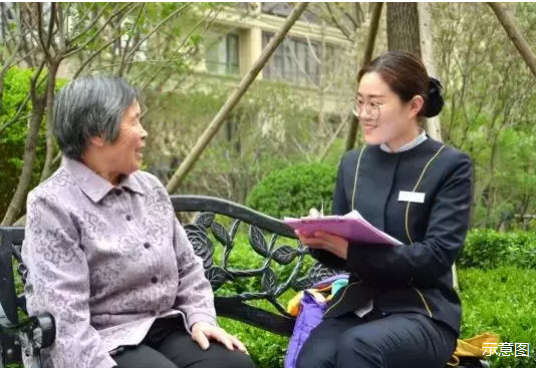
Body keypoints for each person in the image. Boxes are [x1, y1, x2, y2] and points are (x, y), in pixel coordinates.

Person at [21, 76, 255, 368]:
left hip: (164, 327)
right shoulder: (52, 203)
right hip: (101, 341)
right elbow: (63, 316)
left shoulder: (151, 188)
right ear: (97, 133)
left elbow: (188, 268)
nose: (144, 133)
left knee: (234, 365)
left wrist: (200, 318)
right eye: (134, 121)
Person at [294, 51, 473, 368]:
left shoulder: (450, 166)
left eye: (375, 103)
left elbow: (436, 256)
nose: (364, 113)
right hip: (358, 306)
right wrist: (320, 239)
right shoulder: (353, 163)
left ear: (414, 106)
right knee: (314, 359)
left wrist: (350, 251)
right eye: (359, 102)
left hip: (424, 312)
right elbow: (340, 253)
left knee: (359, 347)